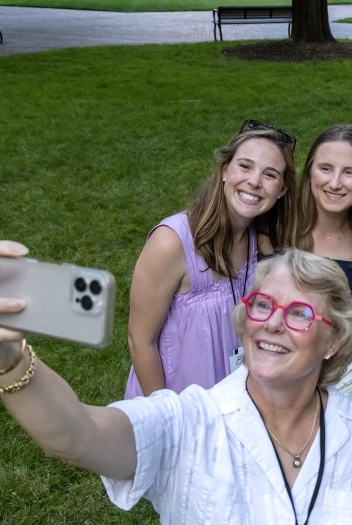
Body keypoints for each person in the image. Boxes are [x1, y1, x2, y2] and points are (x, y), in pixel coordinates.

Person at [0, 244, 352, 524]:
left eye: (298, 313)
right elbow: (77, 435)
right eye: (261, 306)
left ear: (332, 339)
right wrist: (6, 358)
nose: (272, 324)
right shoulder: (188, 422)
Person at [125, 120, 297, 399]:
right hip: (177, 406)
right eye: (245, 166)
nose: (254, 181)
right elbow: (140, 341)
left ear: (282, 190)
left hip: (234, 403)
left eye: (270, 174)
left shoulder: (261, 242)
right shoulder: (172, 242)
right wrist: (167, 417)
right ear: (224, 170)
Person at [295, 124, 352, 406]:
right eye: (325, 168)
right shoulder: (276, 232)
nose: (335, 183)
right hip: (276, 377)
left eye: (349, 172)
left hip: (340, 381)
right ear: (309, 172)